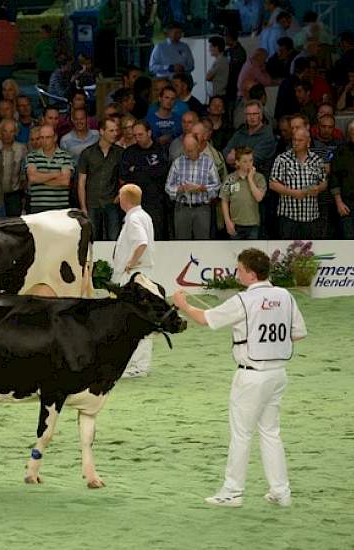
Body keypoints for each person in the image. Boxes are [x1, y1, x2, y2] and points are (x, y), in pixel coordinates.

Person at [173, 248, 306, 508]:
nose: (237, 272)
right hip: (278, 373)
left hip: (251, 376)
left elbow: (204, 319)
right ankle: (281, 491)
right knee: (270, 432)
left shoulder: (243, 301)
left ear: (251, 274)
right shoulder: (285, 296)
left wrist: (183, 305)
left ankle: (232, 492)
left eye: (240, 269)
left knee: (242, 434)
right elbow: (298, 333)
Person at [112, 184, 155, 378]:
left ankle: (138, 366)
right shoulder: (142, 216)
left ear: (125, 199)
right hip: (139, 273)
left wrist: (131, 263)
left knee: (135, 318)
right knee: (137, 317)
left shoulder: (134, 219)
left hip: (135, 274)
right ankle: (136, 364)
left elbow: (141, 242)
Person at [165, 134, 221, 239]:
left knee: (202, 243)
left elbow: (217, 186)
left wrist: (201, 188)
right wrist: (180, 189)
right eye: (186, 150)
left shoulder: (208, 163)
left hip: (202, 208)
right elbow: (168, 187)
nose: (188, 153)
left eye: (191, 150)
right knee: (181, 243)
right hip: (182, 208)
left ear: (198, 147)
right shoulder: (177, 162)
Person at [221, 147, 268, 239]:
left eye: (251, 160)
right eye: (245, 161)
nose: (249, 164)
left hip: (253, 224)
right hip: (235, 224)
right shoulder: (229, 179)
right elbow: (224, 200)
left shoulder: (259, 178)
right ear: (237, 162)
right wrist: (227, 222)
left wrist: (250, 179)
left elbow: (259, 198)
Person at [26, 124, 74, 213]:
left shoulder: (65, 156)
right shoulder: (32, 156)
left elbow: (65, 181)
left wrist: (40, 178)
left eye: (48, 137)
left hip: (60, 207)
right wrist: (55, 174)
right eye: (42, 137)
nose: (44, 141)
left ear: (55, 137)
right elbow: (32, 178)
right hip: (38, 208)